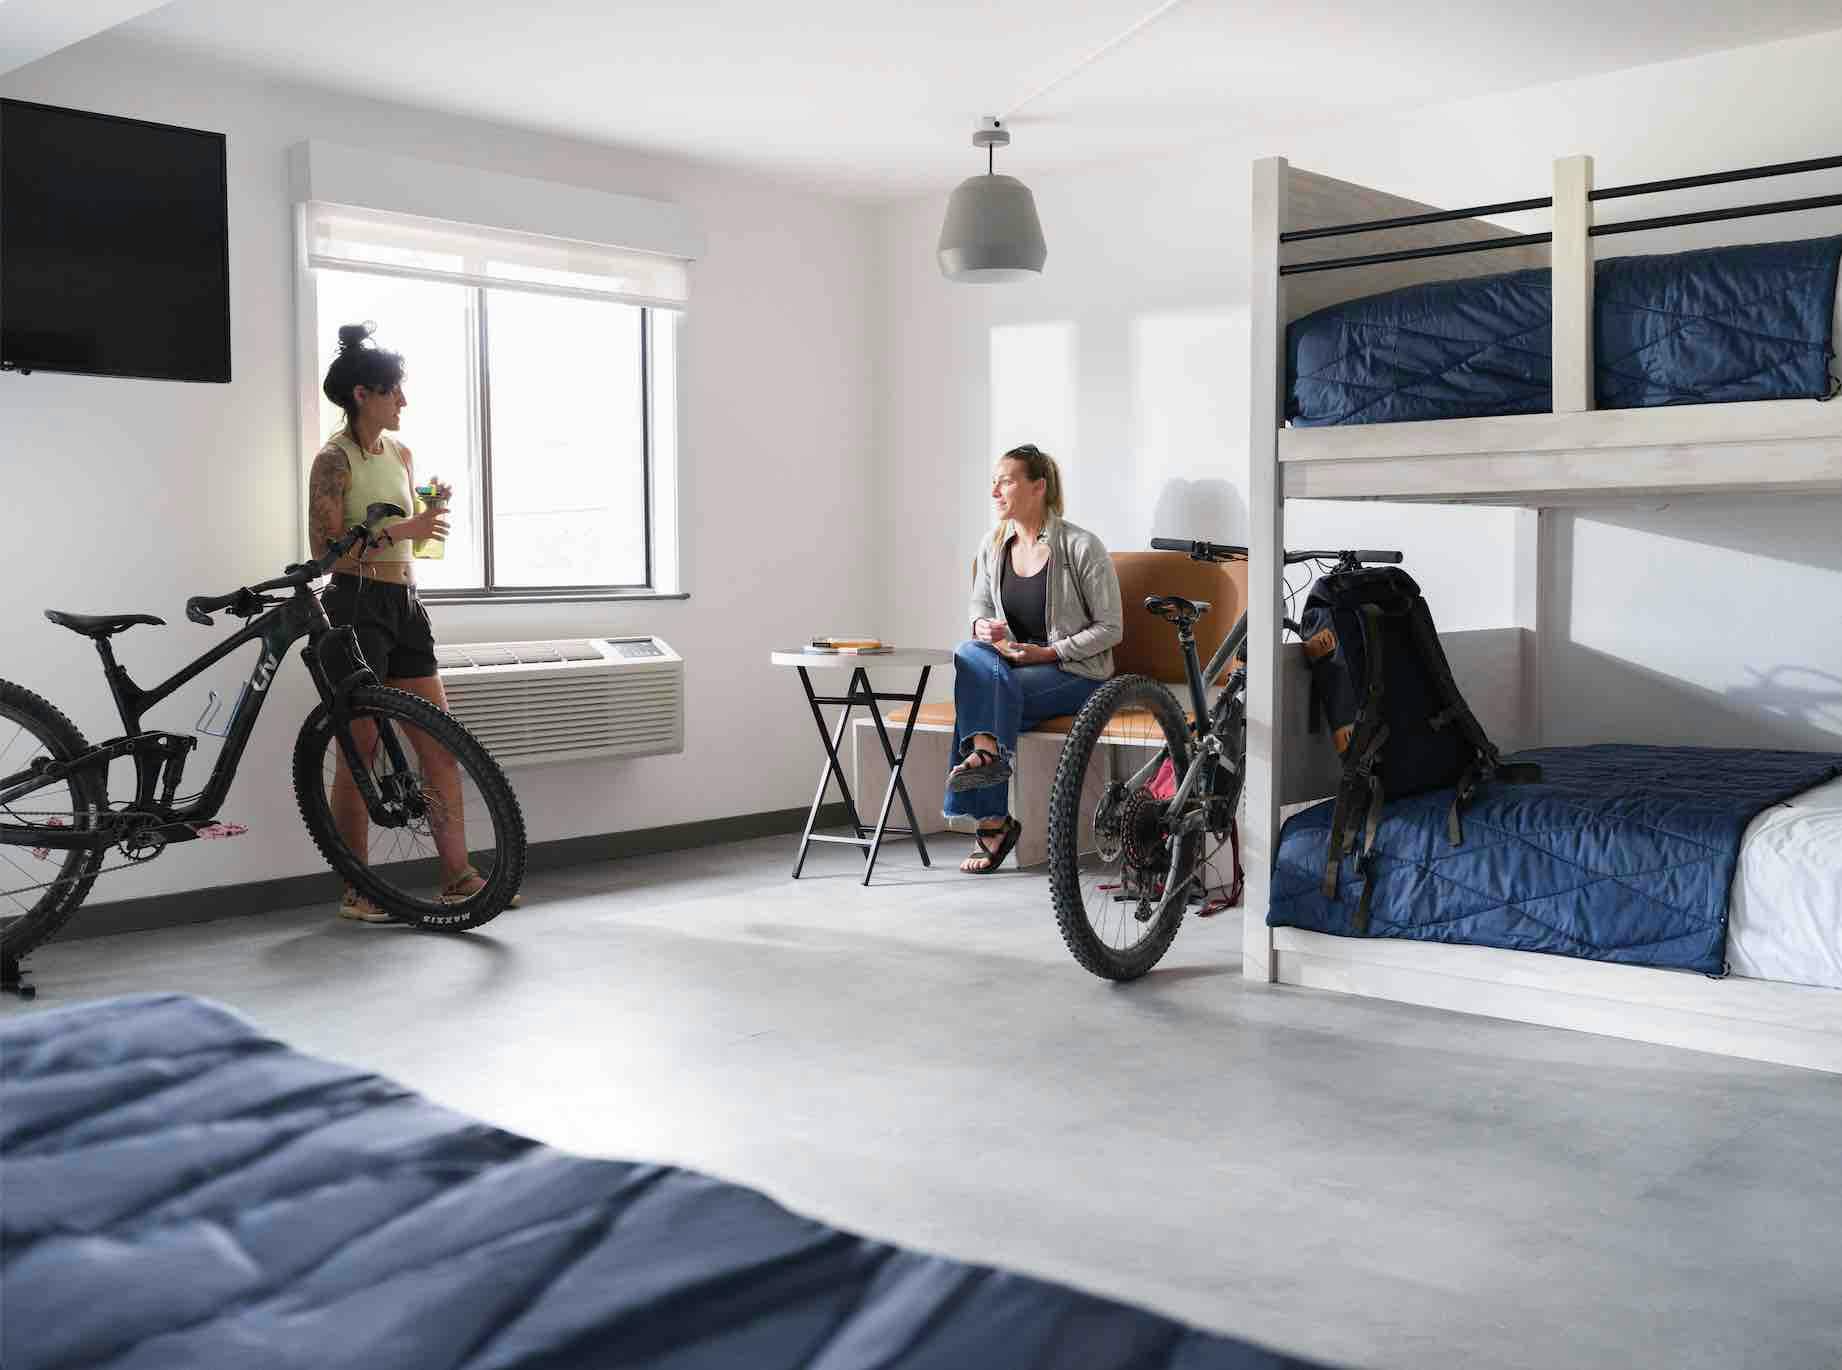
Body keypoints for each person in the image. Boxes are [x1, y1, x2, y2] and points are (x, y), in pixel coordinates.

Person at [307, 322, 516, 922]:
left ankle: (457, 876)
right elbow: (326, 550)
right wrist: (402, 528)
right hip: (354, 605)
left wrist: (426, 516)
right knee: (361, 749)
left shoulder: (400, 453)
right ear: (362, 395)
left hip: (404, 604)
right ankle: (357, 886)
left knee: (440, 744)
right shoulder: (332, 459)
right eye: (394, 390)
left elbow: (408, 546)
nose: (404, 401)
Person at [946, 443, 1123, 873]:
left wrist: (1046, 652)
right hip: (1011, 671)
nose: (995, 491)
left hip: (1074, 672)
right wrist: (982, 628)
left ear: (1038, 487)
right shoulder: (993, 545)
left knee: (980, 701)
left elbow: (1111, 629)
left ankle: (992, 820)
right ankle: (987, 753)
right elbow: (978, 608)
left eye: (1005, 481)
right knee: (969, 653)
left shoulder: (1081, 546)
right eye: (994, 482)